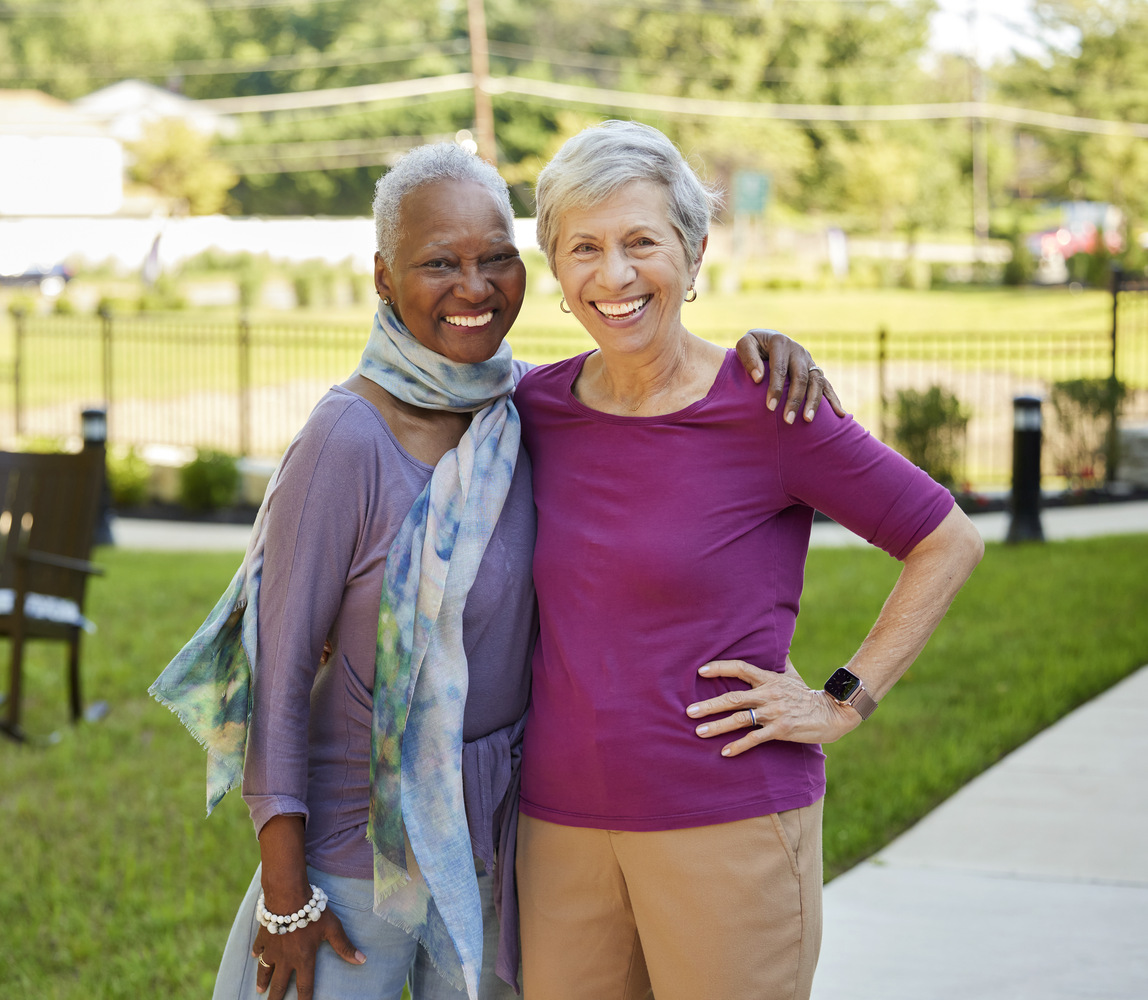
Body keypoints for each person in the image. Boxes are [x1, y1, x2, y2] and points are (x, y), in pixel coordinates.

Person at [151, 142, 837, 1000]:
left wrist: (760, 354)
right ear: (382, 277)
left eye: (494, 260)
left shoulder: (524, 414)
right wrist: (286, 899)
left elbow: (652, 388)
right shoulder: (347, 440)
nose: (473, 288)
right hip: (351, 854)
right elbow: (278, 678)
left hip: (495, 844)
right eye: (439, 263)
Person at [511, 119, 986, 1000]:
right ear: (555, 268)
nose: (613, 275)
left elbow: (946, 540)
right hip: (557, 829)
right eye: (584, 247)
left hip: (726, 820)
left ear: (693, 256)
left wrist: (842, 700)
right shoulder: (530, 409)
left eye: (641, 242)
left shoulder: (768, 406)